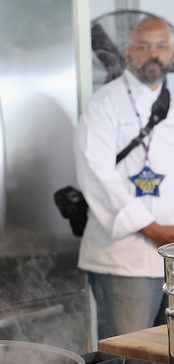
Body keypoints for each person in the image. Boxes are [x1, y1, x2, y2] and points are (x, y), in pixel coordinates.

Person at [74, 15, 174, 340]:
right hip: (124, 260)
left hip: (172, 255)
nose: (153, 54)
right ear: (128, 52)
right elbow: (96, 172)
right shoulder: (106, 103)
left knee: (166, 357)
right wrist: (155, 230)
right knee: (128, 359)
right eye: (143, 47)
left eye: (161, 46)